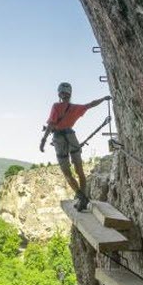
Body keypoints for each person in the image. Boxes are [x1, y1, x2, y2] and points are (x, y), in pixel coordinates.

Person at [40, 82, 111, 211]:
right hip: (72, 138)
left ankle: (81, 197)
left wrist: (43, 140)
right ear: (70, 94)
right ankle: (82, 198)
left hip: (59, 140)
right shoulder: (76, 108)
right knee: (80, 171)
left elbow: (51, 125)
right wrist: (104, 99)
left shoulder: (56, 106)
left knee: (67, 172)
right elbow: (90, 104)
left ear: (59, 94)